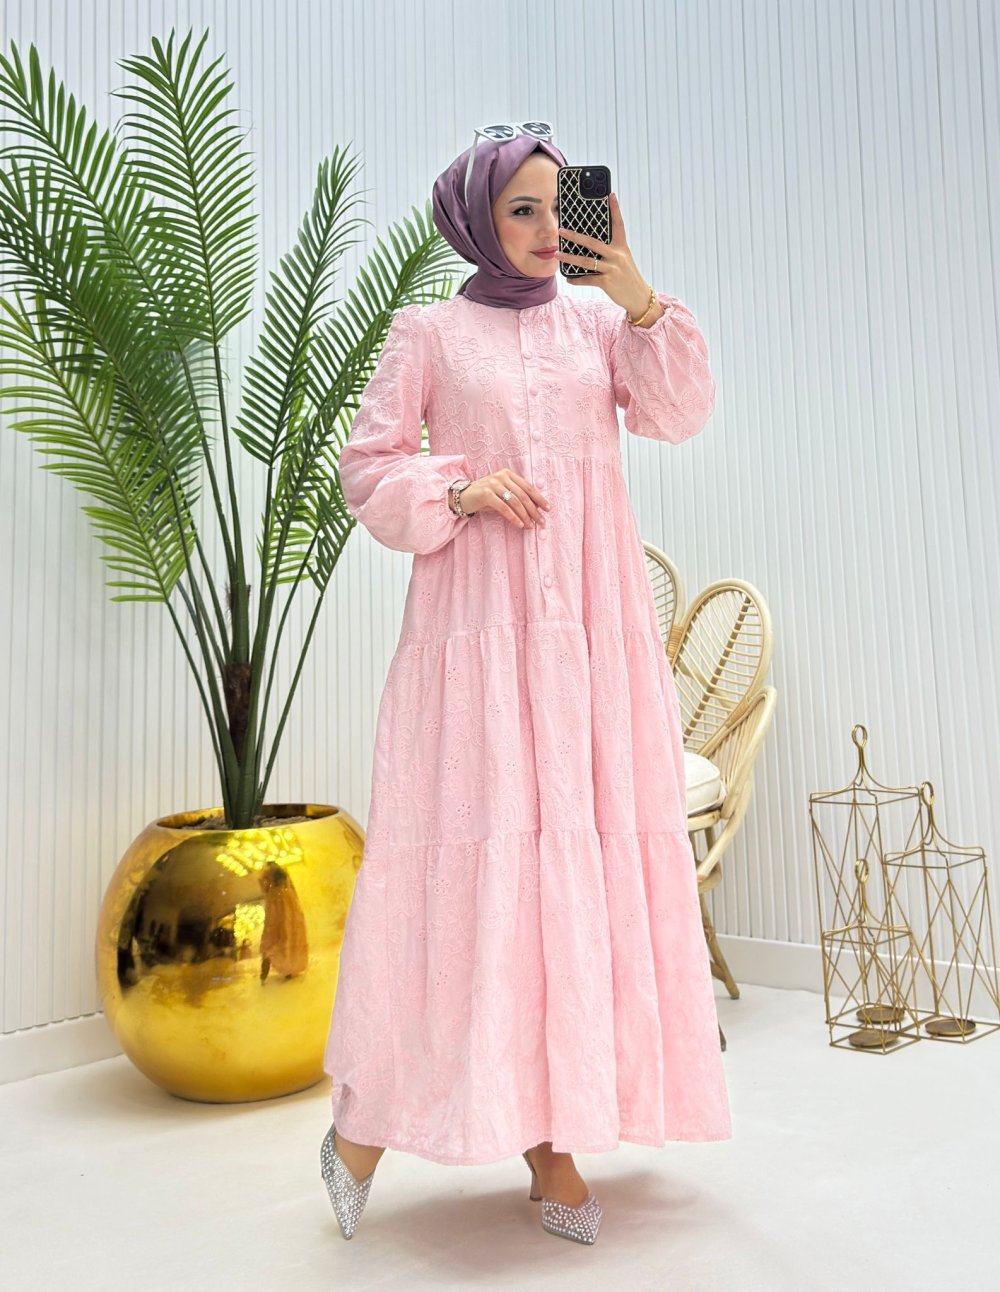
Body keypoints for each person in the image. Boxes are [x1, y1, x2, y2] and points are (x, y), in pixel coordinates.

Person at [319, 124, 731, 1247]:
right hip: (479, 640)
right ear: (474, 219)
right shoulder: (429, 333)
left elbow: (679, 414)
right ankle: (365, 1122)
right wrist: (458, 490)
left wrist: (635, 292)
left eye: (561, 206)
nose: (550, 229)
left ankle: (554, 1138)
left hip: (590, 643)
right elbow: (369, 467)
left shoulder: (601, 324)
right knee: (471, 876)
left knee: (571, 877)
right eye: (523, 209)